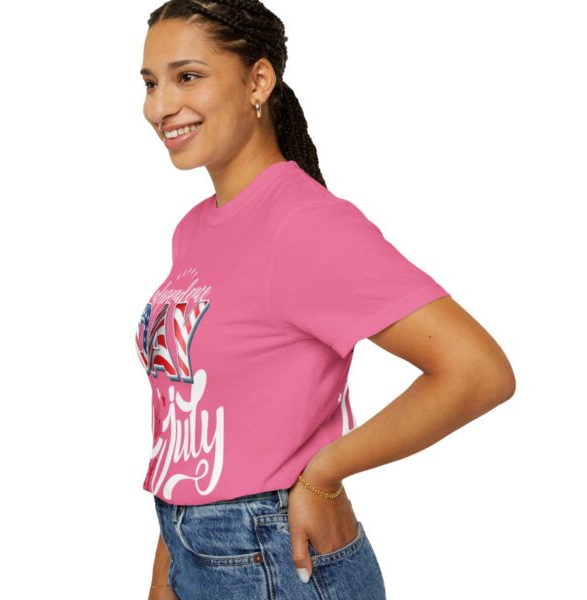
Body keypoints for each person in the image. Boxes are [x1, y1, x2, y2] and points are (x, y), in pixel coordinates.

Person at [136, 2, 516, 599]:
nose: (160, 106)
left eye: (188, 76)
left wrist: (324, 473)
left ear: (258, 81)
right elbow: (192, 418)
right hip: (191, 547)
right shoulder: (194, 229)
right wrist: (167, 572)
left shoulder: (304, 223)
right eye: (150, 83)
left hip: (276, 556)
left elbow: (478, 372)